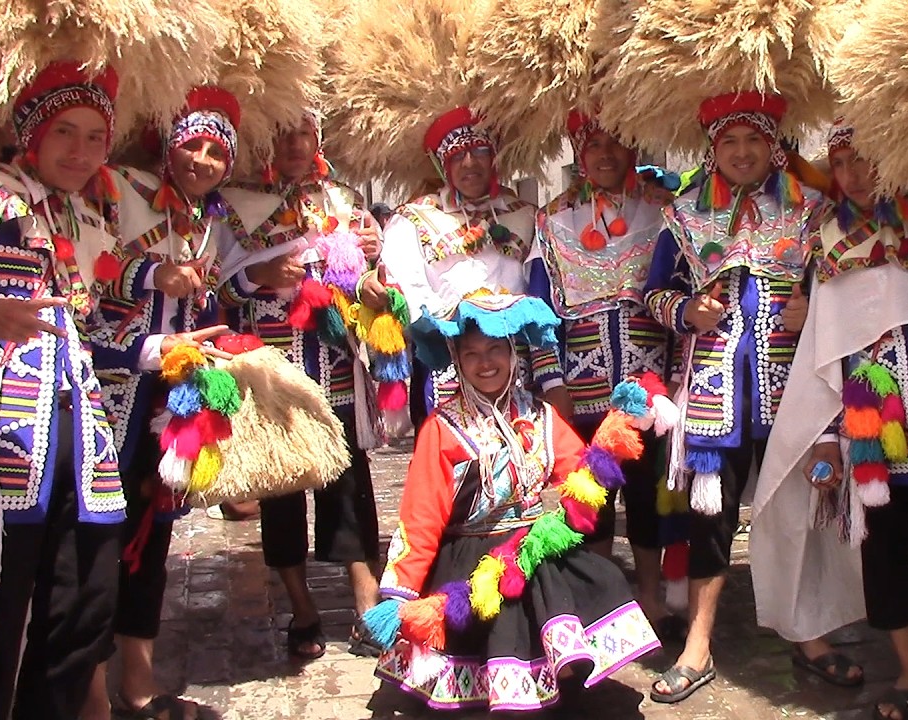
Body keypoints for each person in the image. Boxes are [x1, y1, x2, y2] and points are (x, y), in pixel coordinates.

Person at [753, 119, 908, 720]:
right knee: (881, 553)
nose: (855, 175)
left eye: (868, 158)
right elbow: (829, 348)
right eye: (842, 162)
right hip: (872, 428)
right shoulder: (831, 237)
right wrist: (829, 435)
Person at [368, 291, 661, 712]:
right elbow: (422, 517)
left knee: (586, 582)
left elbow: (578, 473)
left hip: (531, 549)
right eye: (471, 354)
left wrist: (612, 436)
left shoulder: (540, 417)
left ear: (512, 353)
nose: (485, 364)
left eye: (494, 351)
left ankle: (556, 686)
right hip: (471, 556)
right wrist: (401, 595)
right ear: (456, 360)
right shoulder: (442, 428)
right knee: (495, 635)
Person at [641, 90, 832, 703]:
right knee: (711, 523)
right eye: (730, 142)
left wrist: (816, 309)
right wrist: (687, 310)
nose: (743, 153)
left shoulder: (809, 211)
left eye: (754, 141)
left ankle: (808, 634)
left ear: (774, 145)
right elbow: (652, 293)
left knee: (795, 514)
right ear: (712, 149)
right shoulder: (685, 216)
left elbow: (838, 288)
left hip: (790, 388)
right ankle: (698, 646)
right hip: (715, 393)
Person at [0, 60, 126, 720]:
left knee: (82, 615)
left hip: (81, 452)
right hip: (0, 450)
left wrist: (160, 350)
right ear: (31, 132)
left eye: (95, 137)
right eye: (66, 131)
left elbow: (88, 330)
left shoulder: (85, 219)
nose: (80, 150)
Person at [82, 86, 243, 720]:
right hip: (110, 387)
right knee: (97, 536)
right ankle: (90, 687)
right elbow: (82, 268)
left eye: (215, 152)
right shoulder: (115, 187)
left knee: (155, 530)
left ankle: (139, 677)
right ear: (168, 145)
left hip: (173, 395)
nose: (201, 160)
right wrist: (152, 275)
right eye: (192, 145)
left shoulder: (212, 219)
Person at [217, 112, 387, 660]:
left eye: (302, 133)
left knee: (347, 485)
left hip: (335, 366)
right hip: (274, 374)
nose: (293, 143)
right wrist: (257, 278)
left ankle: (367, 603)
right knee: (282, 492)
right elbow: (218, 291)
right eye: (281, 133)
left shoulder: (339, 200)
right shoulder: (235, 201)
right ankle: (302, 606)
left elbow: (362, 278)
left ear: (317, 140)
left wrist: (374, 250)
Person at [527, 111, 675, 628]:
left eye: (617, 144)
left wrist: (676, 376)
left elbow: (678, 292)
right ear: (579, 154)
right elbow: (539, 312)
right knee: (591, 499)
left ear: (634, 149)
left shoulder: (663, 212)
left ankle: (652, 595)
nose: (607, 156)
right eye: (595, 147)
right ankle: (603, 599)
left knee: (649, 495)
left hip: (648, 382)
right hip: (582, 388)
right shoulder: (551, 219)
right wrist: (552, 383)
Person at [380, 107, 536, 427]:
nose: (469, 163)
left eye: (479, 151)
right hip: (445, 358)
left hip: (514, 360)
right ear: (443, 166)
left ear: (494, 156)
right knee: (453, 457)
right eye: (456, 156)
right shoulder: (413, 218)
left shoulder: (525, 214)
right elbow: (409, 289)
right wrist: (456, 331)